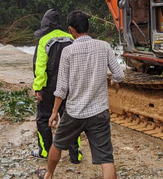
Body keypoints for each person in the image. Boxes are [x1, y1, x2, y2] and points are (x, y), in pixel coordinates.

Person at [41, 10, 125, 179]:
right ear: (87, 27)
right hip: (99, 112)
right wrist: (115, 84)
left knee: (57, 144)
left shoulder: (68, 52)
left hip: (74, 112)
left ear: (71, 29)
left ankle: (49, 174)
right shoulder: (104, 46)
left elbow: (62, 88)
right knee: (106, 158)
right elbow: (119, 75)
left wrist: (54, 112)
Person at [32, 9, 82, 163]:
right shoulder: (71, 38)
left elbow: (39, 67)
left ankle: (45, 151)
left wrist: (38, 88)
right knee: (71, 119)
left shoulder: (44, 40)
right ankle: (76, 156)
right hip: (70, 86)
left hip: (49, 87)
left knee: (43, 118)